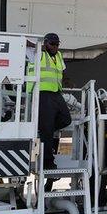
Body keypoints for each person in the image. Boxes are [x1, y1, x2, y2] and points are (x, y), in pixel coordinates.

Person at [27, 33, 71, 171]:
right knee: (47, 130)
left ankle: (45, 129)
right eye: (52, 44)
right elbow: (24, 43)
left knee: (66, 119)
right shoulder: (37, 54)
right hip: (42, 93)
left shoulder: (58, 56)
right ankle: (47, 162)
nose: (55, 47)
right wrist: (38, 45)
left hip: (56, 93)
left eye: (57, 44)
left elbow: (62, 71)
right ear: (45, 43)